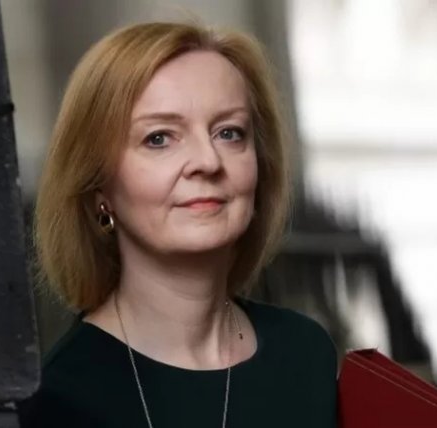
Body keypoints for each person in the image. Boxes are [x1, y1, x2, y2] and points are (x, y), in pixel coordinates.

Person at [17, 21, 338, 428]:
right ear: (98, 188)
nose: (208, 161)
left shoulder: (306, 354)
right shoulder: (58, 401)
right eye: (159, 138)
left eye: (229, 133)